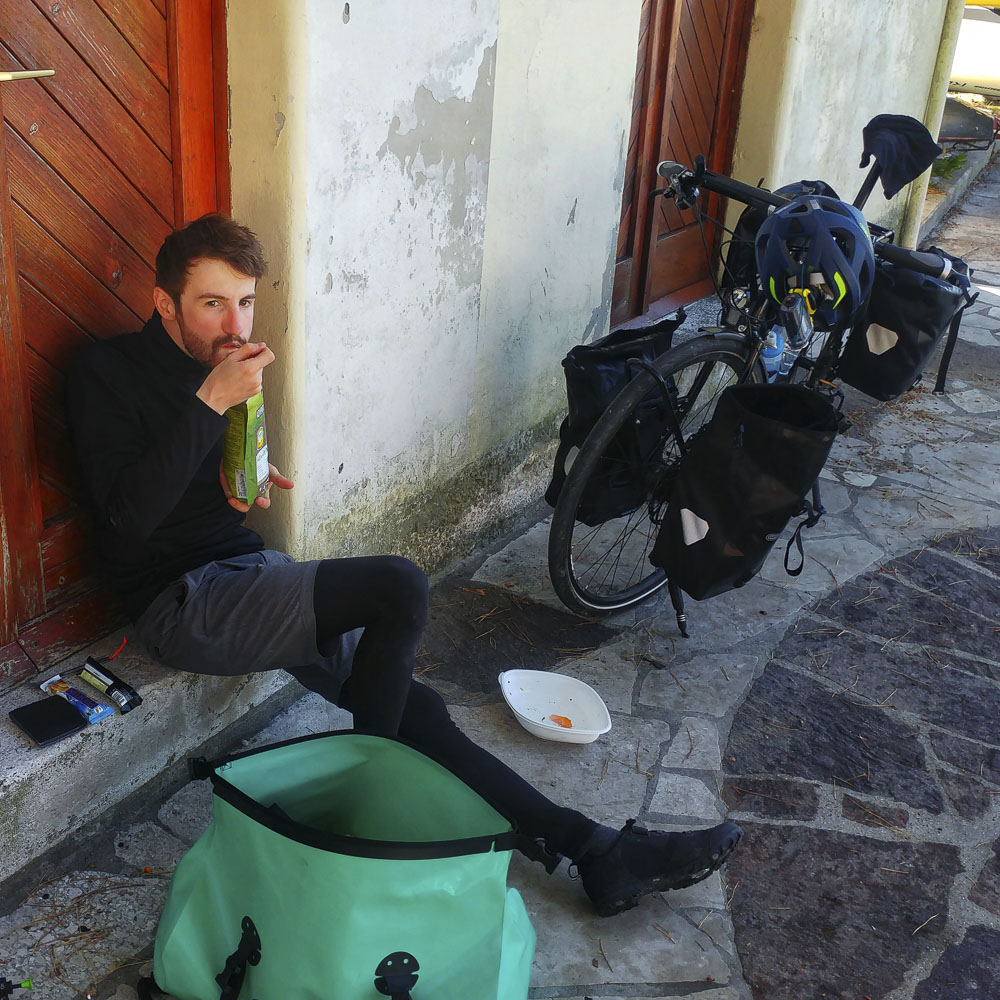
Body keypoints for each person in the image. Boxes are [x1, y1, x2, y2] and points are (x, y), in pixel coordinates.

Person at [66, 213, 741, 918]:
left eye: (245, 302)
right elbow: (126, 526)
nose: (235, 325)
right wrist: (210, 404)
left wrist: (250, 473)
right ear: (164, 303)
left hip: (246, 569)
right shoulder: (106, 374)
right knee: (397, 586)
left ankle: (596, 850)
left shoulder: (222, 368)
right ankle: (359, 824)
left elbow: (205, 491)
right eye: (212, 303)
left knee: (415, 708)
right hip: (181, 601)